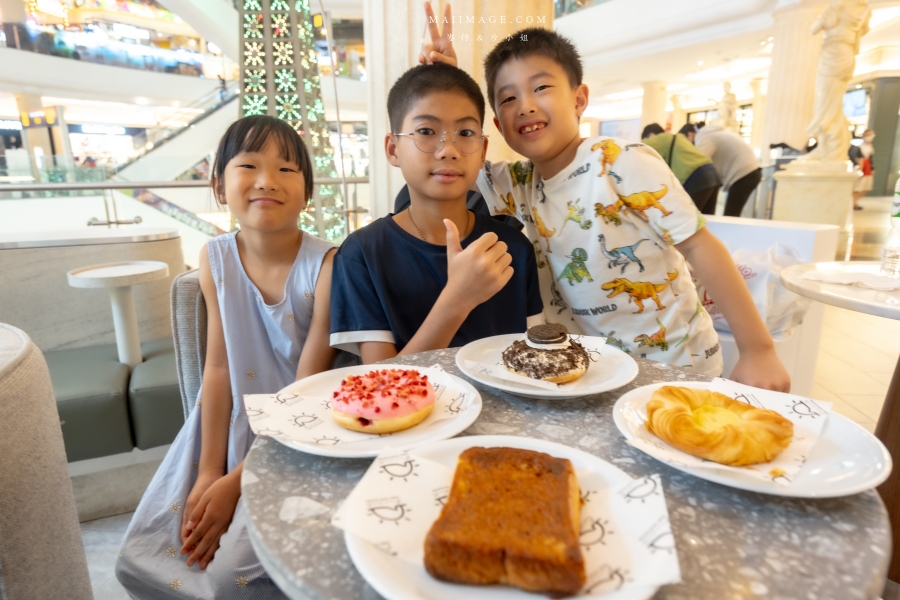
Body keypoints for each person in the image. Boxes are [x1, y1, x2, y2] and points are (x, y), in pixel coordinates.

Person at [419, 7, 790, 391]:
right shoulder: (518, 183)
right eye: (508, 97)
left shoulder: (622, 161)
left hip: (677, 364)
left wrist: (758, 350)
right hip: (596, 372)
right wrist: (449, 82)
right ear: (498, 124)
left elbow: (700, 246)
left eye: (541, 87)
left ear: (579, 99)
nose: (525, 104)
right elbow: (455, 158)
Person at [116, 116, 341, 598]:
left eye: (286, 168)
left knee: (229, 577)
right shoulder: (213, 256)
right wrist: (207, 472)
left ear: (308, 192)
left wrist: (235, 483)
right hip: (228, 425)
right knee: (141, 557)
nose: (267, 180)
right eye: (249, 165)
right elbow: (217, 368)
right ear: (219, 186)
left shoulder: (325, 264)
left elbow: (305, 395)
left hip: (297, 435)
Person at [329, 62, 543, 363]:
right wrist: (457, 300)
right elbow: (381, 385)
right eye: (426, 131)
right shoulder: (362, 254)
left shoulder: (511, 249)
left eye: (465, 132)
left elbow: (532, 360)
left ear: (482, 151)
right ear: (393, 149)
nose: (448, 150)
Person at [641, 122, 722, 214]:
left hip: (697, 179)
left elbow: (632, 150)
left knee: (686, 221)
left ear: (651, 136)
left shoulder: (661, 139)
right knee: (707, 220)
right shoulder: (677, 139)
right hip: (712, 174)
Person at [695, 123, 763, 217]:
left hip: (743, 173)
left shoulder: (705, 137)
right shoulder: (719, 134)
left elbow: (697, 161)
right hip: (752, 170)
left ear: (693, 134)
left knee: (731, 215)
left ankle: (728, 231)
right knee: (732, 213)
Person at [849, 129, 875, 210]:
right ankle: (851, 204)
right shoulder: (858, 147)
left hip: (868, 167)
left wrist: (872, 168)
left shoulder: (870, 146)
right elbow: (856, 158)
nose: (869, 137)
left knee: (865, 188)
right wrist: (860, 168)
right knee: (858, 188)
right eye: (867, 135)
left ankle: (854, 202)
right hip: (861, 167)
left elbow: (870, 158)